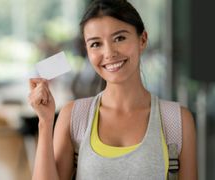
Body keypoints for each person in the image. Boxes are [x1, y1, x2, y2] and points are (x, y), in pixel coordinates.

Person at [28, 0, 197, 179]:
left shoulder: (177, 120)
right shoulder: (74, 117)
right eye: (95, 44)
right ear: (87, 50)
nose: (109, 53)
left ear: (143, 40)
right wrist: (45, 122)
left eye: (119, 38)